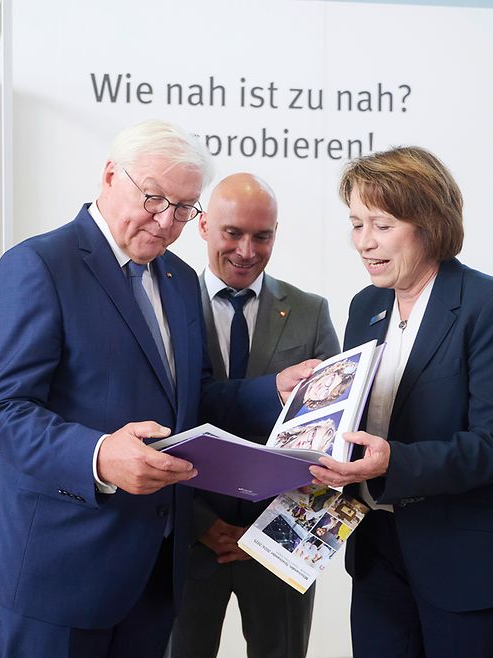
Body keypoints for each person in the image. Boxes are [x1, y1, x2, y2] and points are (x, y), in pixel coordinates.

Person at [0, 120, 313, 658]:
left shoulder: (178, 279)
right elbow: (3, 412)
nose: (166, 221)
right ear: (110, 176)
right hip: (54, 571)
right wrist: (100, 455)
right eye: (154, 199)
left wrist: (274, 390)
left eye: (184, 208)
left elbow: (193, 399)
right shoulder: (39, 265)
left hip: (152, 576)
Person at [310, 146, 493, 658]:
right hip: (380, 553)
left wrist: (394, 462)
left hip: (473, 560)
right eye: (356, 224)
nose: (364, 242)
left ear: (429, 223)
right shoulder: (365, 305)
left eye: (382, 225)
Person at [168, 173, 339, 658]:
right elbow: (157, 418)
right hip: (187, 537)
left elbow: (332, 434)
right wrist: (201, 523)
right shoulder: (167, 304)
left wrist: (267, 531)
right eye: (233, 233)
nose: (247, 251)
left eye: (262, 236)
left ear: (276, 233)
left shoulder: (309, 311)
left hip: (280, 541)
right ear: (203, 225)